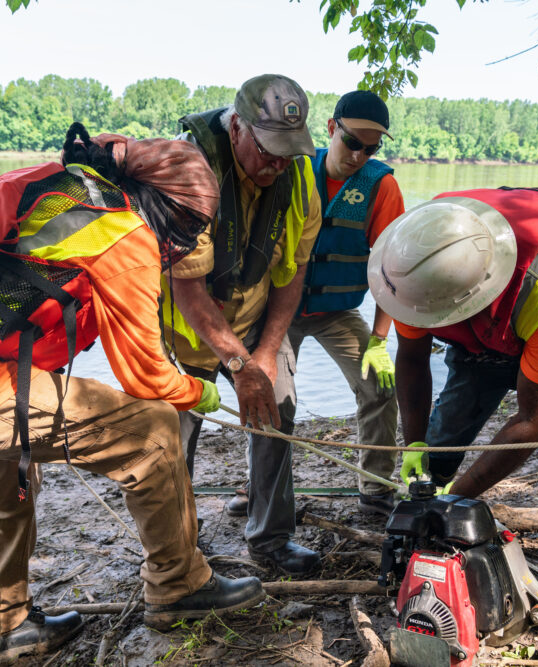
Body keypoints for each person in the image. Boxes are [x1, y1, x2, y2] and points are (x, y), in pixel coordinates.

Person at [0, 124, 264, 666]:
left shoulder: (67, 192)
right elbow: (147, 379)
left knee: (11, 480)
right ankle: (179, 586)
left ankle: (4, 627)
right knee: (153, 427)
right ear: (157, 204)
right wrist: (200, 392)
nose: (188, 241)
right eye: (188, 224)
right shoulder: (124, 234)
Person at [368, 188, 538, 585]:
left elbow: (534, 421)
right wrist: (415, 444)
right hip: (485, 301)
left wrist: (459, 500)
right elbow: (413, 359)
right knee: (458, 406)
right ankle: (424, 500)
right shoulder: (416, 267)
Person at [162, 74, 323, 574]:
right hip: (183, 333)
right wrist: (236, 362)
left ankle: (270, 539)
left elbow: (292, 272)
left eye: (289, 151)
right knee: (172, 440)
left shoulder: (297, 178)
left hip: (253, 322)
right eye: (269, 150)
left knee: (279, 408)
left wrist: (268, 353)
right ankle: (179, 552)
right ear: (237, 129)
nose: (278, 163)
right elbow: (188, 290)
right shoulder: (189, 174)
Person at [286, 90, 404, 517]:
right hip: (281, 310)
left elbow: (392, 272)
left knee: (379, 387)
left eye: (370, 148)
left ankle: (375, 490)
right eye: (352, 141)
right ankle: (260, 489)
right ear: (332, 127)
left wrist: (378, 340)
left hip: (337, 311)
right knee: (273, 399)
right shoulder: (294, 169)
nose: (359, 155)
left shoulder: (381, 186)